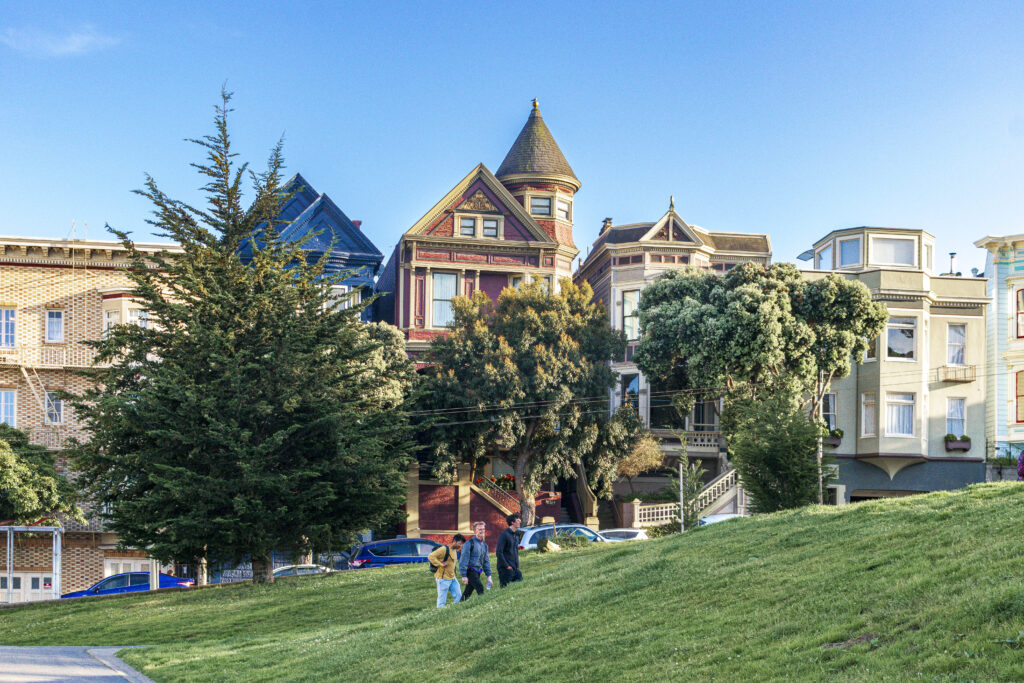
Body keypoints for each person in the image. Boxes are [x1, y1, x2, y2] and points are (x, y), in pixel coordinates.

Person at [429, 534, 465, 608]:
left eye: (462, 544)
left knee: (459, 596)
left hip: (452, 578)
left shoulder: (455, 550)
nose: (460, 546)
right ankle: (439, 614)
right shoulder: (444, 549)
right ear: (454, 541)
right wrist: (440, 564)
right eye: (459, 543)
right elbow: (431, 556)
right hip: (442, 579)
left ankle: (457, 611)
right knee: (442, 601)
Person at [458, 521, 492, 601]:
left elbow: (486, 561)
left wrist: (489, 576)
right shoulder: (469, 544)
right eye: (479, 529)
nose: (482, 531)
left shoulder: (484, 545)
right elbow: (463, 560)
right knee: (480, 588)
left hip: (478, 571)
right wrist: (463, 575)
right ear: (474, 531)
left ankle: (461, 605)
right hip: (470, 570)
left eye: (483, 529)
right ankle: (483, 604)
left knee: (468, 591)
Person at [496, 513, 523, 587]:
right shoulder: (504, 535)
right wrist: (507, 566)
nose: (520, 522)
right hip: (505, 569)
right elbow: (499, 552)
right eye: (518, 520)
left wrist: (516, 565)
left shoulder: (516, 535)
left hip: (515, 568)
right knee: (504, 589)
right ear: (512, 522)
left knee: (521, 586)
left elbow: (515, 551)